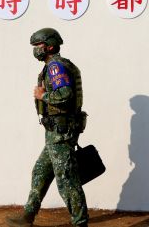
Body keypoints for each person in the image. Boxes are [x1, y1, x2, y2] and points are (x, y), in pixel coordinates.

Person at [6, 28, 89, 227]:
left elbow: (65, 95)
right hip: (55, 133)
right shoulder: (56, 65)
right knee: (40, 171)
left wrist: (42, 95)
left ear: (50, 46)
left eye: (38, 46)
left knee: (67, 181)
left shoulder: (55, 67)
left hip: (61, 133)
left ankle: (80, 223)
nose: (35, 49)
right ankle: (28, 215)